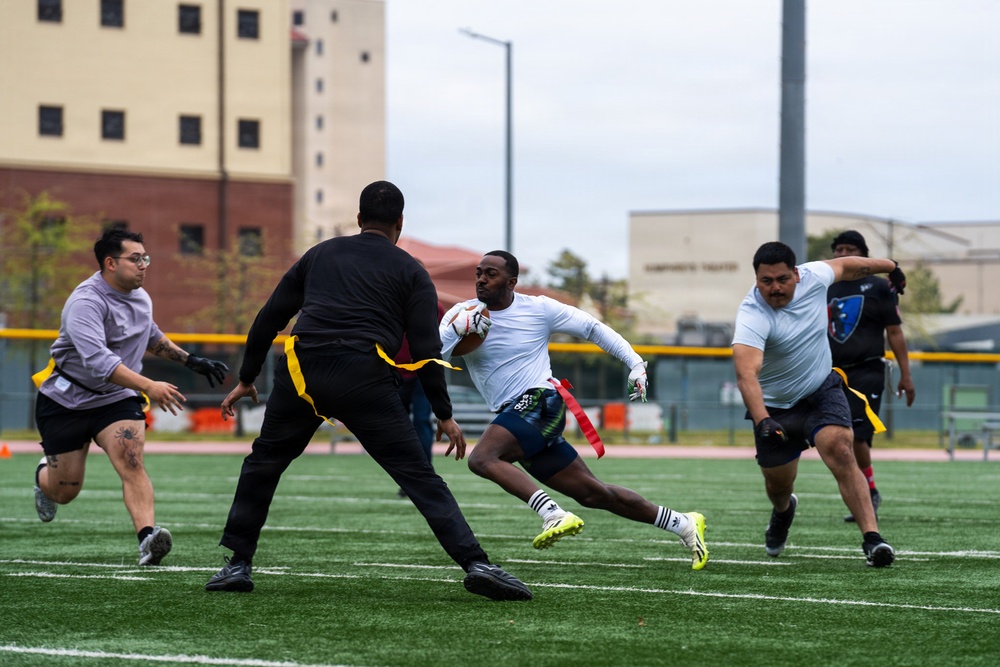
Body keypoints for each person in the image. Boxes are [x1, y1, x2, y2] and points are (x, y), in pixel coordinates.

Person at [205, 181, 531, 601]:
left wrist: (247, 378)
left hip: (302, 372)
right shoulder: (411, 270)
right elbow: (427, 350)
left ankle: (237, 564)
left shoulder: (319, 254)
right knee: (418, 477)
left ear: (359, 220)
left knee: (263, 463)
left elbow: (268, 319)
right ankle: (476, 563)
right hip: (363, 376)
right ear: (399, 223)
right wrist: (444, 414)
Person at [439, 250, 709, 571]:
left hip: (541, 400)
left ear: (512, 282)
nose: (482, 279)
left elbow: (594, 328)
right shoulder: (461, 314)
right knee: (595, 495)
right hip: (517, 416)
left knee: (482, 458)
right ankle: (683, 523)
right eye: (479, 272)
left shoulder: (539, 309)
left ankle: (553, 513)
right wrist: (452, 334)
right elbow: (431, 357)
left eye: (491, 274)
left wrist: (635, 363)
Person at [32, 228, 229, 565]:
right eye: (135, 259)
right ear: (110, 263)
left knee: (132, 460)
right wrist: (148, 385)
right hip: (67, 401)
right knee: (65, 491)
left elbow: (150, 335)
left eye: (145, 258)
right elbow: (98, 362)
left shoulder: (140, 296)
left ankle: (148, 539)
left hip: (116, 398)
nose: (143, 265)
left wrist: (191, 360)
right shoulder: (85, 303)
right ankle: (43, 478)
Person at [732, 241, 905, 567]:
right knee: (779, 485)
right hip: (776, 408)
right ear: (756, 280)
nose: (775, 288)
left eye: (782, 279)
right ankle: (783, 512)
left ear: (797, 274)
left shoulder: (815, 276)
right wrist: (762, 420)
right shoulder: (752, 314)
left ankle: (873, 539)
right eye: (765, 281)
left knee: (841, 447)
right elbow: (746, 374)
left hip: (820, 387)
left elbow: (850, 265)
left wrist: (891, 267)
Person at [827, 230, 915, 522]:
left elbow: (895, 331)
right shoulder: (825, 287)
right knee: (838, 437)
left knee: (858, 435)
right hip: (832, 373)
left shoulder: (878, 287)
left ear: (864, 255)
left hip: (867, 369)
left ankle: (870, 491)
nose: (842, 254)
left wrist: (906, 374)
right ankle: (866, 490)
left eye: (849, 248)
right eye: (838, 249)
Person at [393, 301, 446, 499]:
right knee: (398, 425)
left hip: (423, 371)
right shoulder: (390, 304)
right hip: (395, 371)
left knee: (421, 421)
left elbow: (445, 335)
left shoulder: (434, 306)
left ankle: (425, 474)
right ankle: (408, 477)